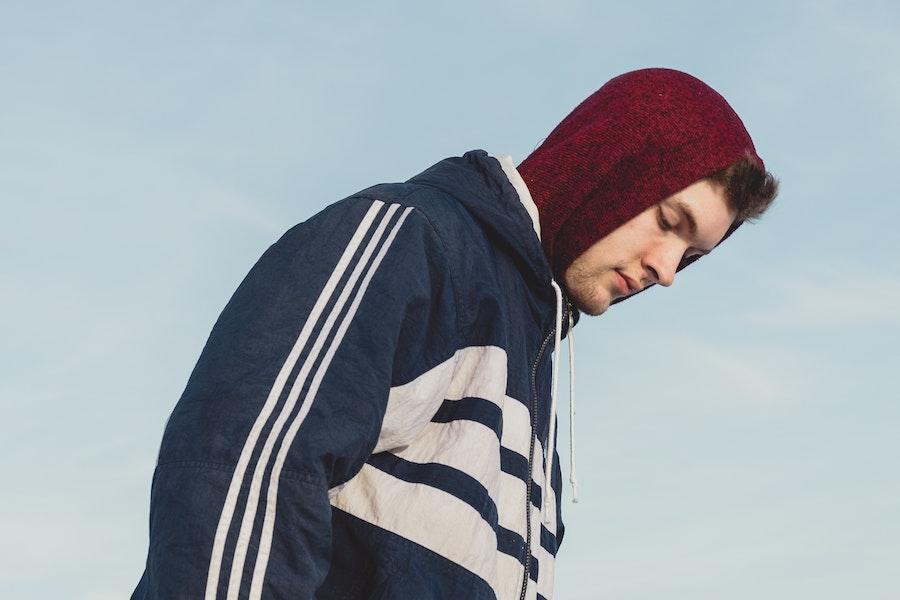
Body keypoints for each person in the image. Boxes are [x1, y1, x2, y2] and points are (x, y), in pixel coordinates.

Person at [131, 68, 779, 600]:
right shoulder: (416, 244)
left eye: (691, 257)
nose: (667, 271)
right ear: (610, 167)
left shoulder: (529, 376)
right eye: (670, 221)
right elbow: (242, 469)